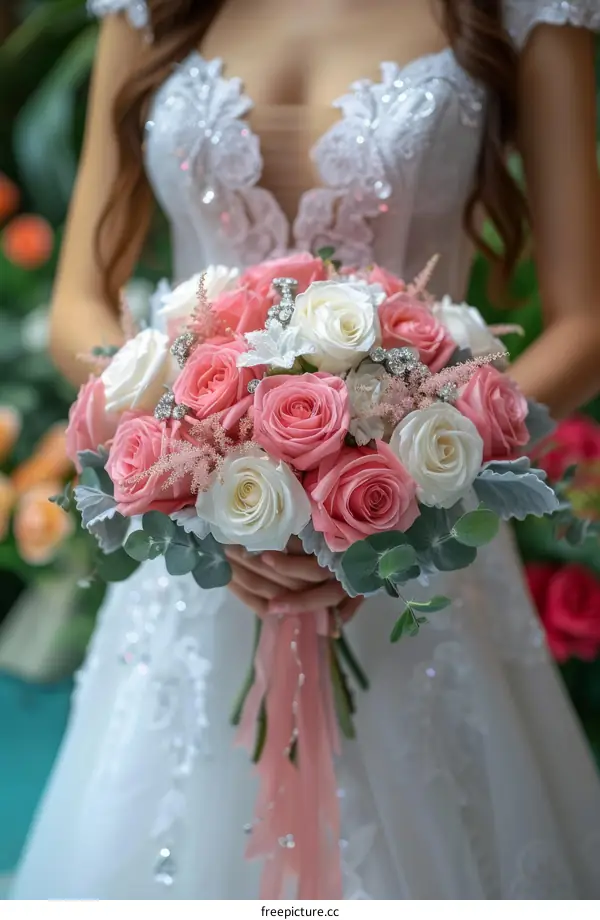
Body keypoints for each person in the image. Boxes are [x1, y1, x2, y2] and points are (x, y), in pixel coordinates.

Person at [11, 0, 600, 899]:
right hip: (194, 553)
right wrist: (196, 459)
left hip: (417, 549)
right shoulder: (146, 5)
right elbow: (78, 307)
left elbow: (585, 324)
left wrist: (407, 477)